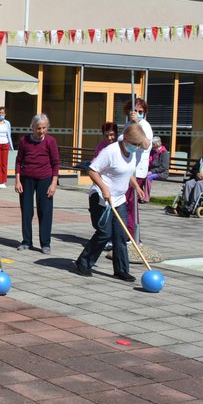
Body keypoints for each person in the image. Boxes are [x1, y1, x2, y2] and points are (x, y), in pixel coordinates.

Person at [74, 123, 147, 282]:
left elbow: (128, 172)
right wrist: (104, 188)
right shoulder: (110, 151)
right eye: (135, 144)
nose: (136, 147)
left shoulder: (131, 150)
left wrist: (136, 187)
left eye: (138, 145)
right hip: (101, 197)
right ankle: (83, 262)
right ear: (126, 139)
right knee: (105, 233)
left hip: (119, 198)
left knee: (121, 235)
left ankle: (121, 270)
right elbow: (92, 170)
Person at [14, 114, 60, 253]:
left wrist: (53, 183)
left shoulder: (50, 141)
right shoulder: (24, 141)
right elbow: (18, 161)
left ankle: (45, 243)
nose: (41, 131)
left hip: (45, 179)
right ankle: (26, 241)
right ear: (32, 127)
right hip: (27, 179)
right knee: (26, 211)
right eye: (38, 128)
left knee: (45, 212)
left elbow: (55, 163)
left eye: (44, 128)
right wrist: (17, 180)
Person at [121, 98, 153, 239]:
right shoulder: (128, 124)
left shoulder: (145, 126)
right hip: (126, 168)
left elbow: (146, 145)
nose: (138, 114)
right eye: (135, 111)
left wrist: (137, 125)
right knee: (125, 203)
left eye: (141, 112)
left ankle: (133, 236)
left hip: (137, 171)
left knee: (130, 204)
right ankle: (127, 233)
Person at [0, 107, 13, 189]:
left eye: (2, 113)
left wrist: (10, 144)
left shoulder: (7, 123)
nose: (1, 114)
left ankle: (3, 181)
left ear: (5, 114)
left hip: (5, 144)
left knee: (4, 164)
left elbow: (9, 134)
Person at [143, 136, 170, 201]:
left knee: (148, 177)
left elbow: (164, 167)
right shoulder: (152, 152)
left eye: (153, 144)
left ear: (157, 144)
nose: (151, 145)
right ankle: (140, 195)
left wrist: (151, 171)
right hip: (153, 171)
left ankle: (146, 198)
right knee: (141, 176)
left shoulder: (164, 153)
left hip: (162, 173)